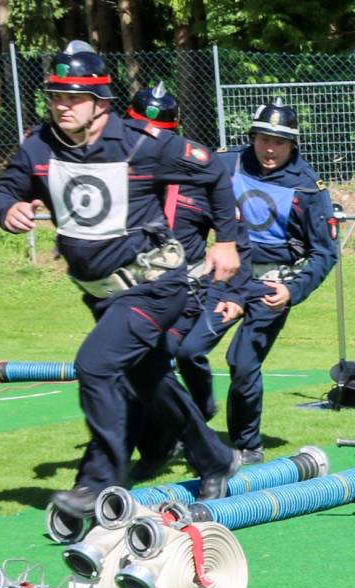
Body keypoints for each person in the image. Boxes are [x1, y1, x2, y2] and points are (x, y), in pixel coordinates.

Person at [0, 41, 240, 516]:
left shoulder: (143, 143)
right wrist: (9, 207)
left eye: (74, 97)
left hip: (155, 287)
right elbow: (6, 186)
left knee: (96, 366)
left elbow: (213, 171)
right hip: (102, 295)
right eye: (56, 96)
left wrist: (226, 240)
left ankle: (99, 482)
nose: (62, 105)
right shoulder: (39, 144)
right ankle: (215, 458)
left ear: (101, 103)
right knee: (149, 381)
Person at [180, 99, 338, 465]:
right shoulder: (226, 164)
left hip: (272, 285)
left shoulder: (310, 188)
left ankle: (247, 445)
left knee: (242, 361)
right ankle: (200, 411)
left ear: (292, 145)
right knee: (187, 350)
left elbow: (325, 253)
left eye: (279, 142)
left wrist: (292, 291)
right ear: (251, 138)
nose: (269, 148)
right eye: (263, 139)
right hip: (225, 278)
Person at [122, 82, 254, 480]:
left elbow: (237, 241)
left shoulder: (202, 177)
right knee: (137, 367)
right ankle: (157, 445)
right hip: (132, 286)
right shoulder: (118, 172)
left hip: (185, 291)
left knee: (157, 358)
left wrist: (235, 294)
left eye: (160, 133)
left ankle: (190, 430)